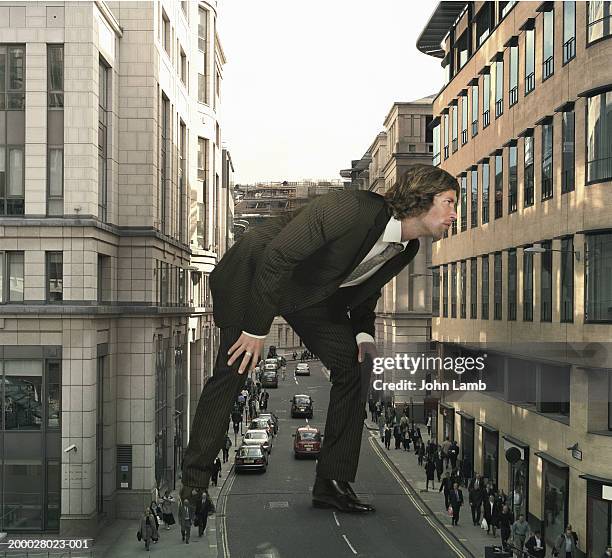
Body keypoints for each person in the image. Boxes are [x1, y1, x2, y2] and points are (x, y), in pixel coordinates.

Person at [179, 165, 459, 514]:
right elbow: (277, 257)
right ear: (422, 198)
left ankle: (331, 484)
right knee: (233, 371)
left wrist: (363, 336)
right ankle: (194, 483)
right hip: (254, 274)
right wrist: (255, 329)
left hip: (309, 294)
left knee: (356, 369)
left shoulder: (406, 249)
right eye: (448, 202)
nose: (454, 213)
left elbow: (365, 292)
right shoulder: (351, 208)